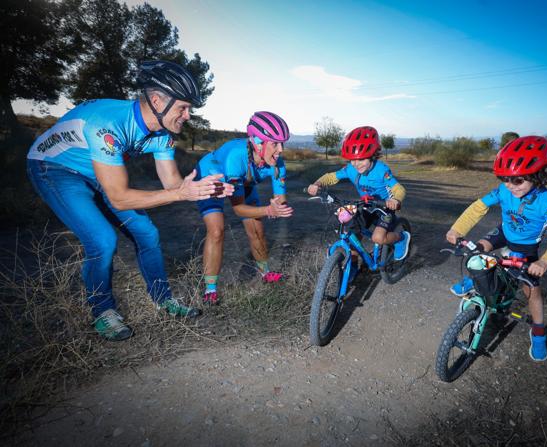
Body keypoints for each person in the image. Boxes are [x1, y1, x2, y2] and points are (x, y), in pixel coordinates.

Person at [26, 60, 234, 341]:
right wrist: (181, 193)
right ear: (158, 100)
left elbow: (173, 185)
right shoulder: (107, 125)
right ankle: (103, 312)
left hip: (98, 171)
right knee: (101, 240)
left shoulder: (163, 134)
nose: (187, 116)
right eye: (183, 107)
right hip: (55, 168)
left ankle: (163, 300)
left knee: (147, 233)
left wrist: (202, 189)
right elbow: (120, 199)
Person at [445, 135, 547, 361]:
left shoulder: (546, 201)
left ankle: (539, 332)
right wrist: (457, 230)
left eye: (518, 181)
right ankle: (474, 281)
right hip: (503, 232)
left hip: (527, 246)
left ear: (538, 175)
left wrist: (544, 261)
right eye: (505, 179)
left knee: (531, 290)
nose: (510, 186)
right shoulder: (504, 191)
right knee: (477, 251)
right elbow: (478, 208)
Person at [196, 111, 294, 304]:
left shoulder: (277, 163)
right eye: (275, 143)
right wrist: (268, 210)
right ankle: (210, 289)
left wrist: (278, 206)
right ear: (258, 143)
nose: (281, 150)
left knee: (257, 229)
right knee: (216, 230)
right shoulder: (236, 156)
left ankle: (265, 273)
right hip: (212, 175)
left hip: (243, 180)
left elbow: (280, 199)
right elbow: (239, 208)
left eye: (282, 143)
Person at [307, 125, 410, 274]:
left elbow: (398, 189)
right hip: (367, 205)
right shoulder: (351, 169)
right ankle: (353, 267)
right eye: (352, 160)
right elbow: (331, 177)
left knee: (378, 237)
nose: (356, 164)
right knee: (351, 233)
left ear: (373, 154)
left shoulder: (381, 170)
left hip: (384, 208)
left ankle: (401, 238)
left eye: (361, 159)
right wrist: (317, 184)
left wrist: (396, 200)